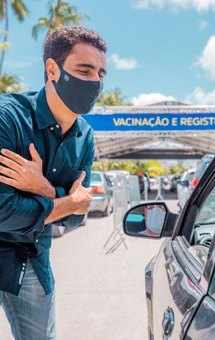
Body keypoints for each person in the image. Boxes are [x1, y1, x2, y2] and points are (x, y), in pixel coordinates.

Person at [0, 26, 107, 339]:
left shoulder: (84, 136)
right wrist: (66, 202)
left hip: (31, 258)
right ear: (52, 69)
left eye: (101, 73)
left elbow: (75, 216)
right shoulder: (8, 118)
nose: (95, 81)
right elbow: (3, 210)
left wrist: (44, 189)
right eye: (84, 69)